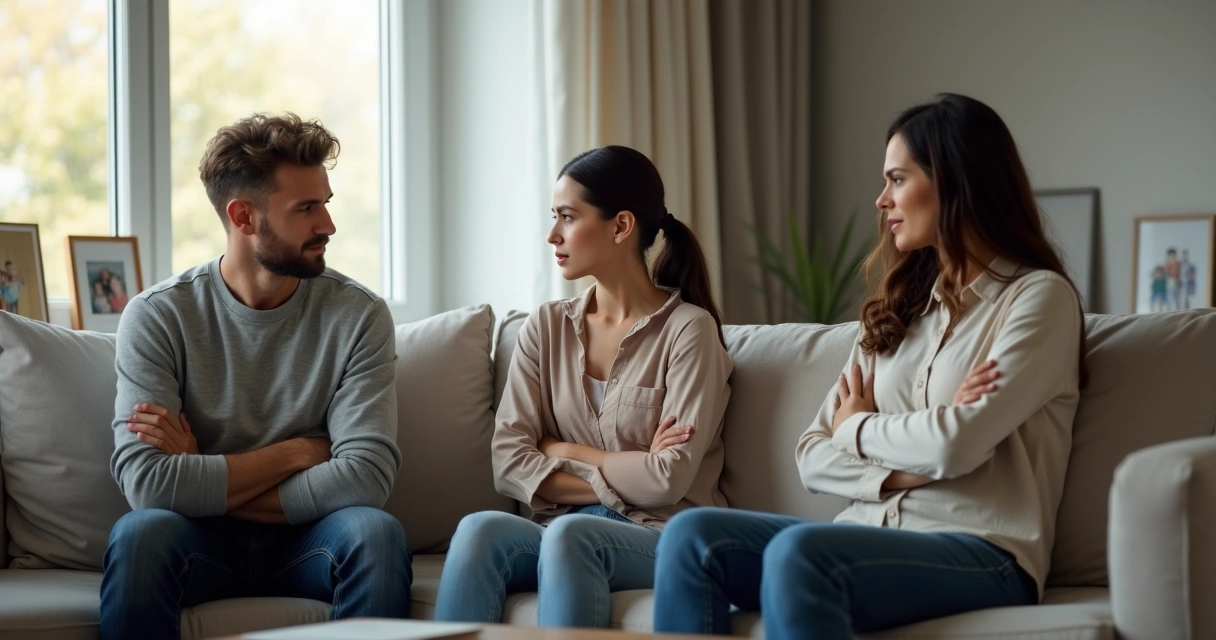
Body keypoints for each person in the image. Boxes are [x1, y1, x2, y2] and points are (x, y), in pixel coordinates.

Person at [651, 93, 1087, 639]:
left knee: (800, 553)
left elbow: (955, 443)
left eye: (898, 179)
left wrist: (856, 426)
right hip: (869, 533)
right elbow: (812, 455)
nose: (882, 200)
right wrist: (911, 466)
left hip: (983, 552)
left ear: (953, 181)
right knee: (692, 538)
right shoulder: (894, 311)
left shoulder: (1036, 299)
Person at [102, 113, 411, 640]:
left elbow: (366, 477)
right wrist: (295, 453)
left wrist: (199, 471)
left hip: (311, 542)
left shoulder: (358, 315)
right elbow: (149, 485)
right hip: (196, 539)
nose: (329, 226)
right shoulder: (158, 315)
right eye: (306, 209)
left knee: (375, 534)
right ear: (243, 216)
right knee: (141, 535)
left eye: (326, 204)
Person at [433, 145, 733, 628]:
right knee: (479, 529)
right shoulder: (544, 327)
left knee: (574, 534)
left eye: (568, 217)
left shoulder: (688, 331)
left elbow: (668, 480)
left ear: (621, 226)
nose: (553, 234)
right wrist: (624, 473)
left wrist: (561, 449)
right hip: (557, 530)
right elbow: (508, 462)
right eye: (554, 217)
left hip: (659, 535)